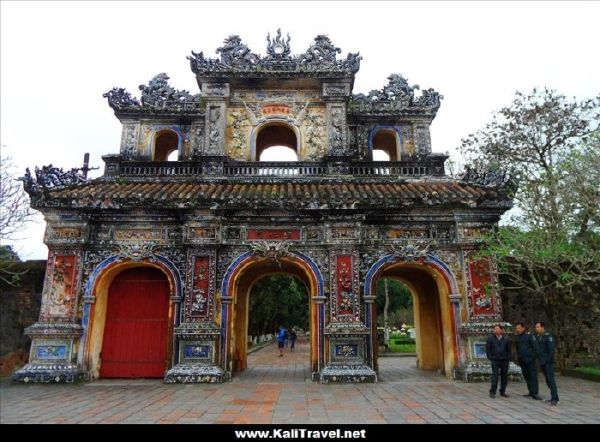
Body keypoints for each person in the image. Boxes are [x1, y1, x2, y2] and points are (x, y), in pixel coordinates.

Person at [534, 321, 560, 406]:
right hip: (542, 362)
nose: (536, 328)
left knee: (551, 380)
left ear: (542, 327)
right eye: (536, 327)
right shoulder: (538, 337)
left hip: (548, 362)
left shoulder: (548, 337)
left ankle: (554, 399)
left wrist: (547, 361)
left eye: (538, 327)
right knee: (548, 380)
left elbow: (551, 351)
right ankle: (554, 396)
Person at [514, 322, 541, 400]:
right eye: (516, 328)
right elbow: (517, 348)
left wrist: (532, 357)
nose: (517, 330)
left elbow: (535, 347)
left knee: (533, 376)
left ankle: (535, 393)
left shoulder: (529, 336)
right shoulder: (517, 337)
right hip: (522, 360)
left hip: (530, 359)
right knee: (526, 376)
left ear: (523, 328)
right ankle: (531, 391)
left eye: (519, 328)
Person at [486, 324, 511, 398]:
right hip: (495, 360)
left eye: (497, 329)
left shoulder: (506, 339)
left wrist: (508, 358)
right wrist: (490, 357)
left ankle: (502, 391)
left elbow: (509, 349)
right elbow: (488, 349)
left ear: (501, 330)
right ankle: (492, 392)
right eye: (495, 329)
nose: (496, 330)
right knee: (495, 375)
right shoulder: (490, 338)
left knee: (504, 376)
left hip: (504, 360)